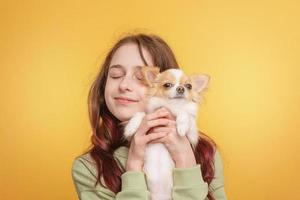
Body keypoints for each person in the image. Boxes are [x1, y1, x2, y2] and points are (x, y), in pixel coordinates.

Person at [71, 33, 227, 200]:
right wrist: (134, 165)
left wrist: (185, 160)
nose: (124, 85)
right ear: (103, 85)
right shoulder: (90, 167)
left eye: (141, 78)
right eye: (115, 75)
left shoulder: (206, 153)